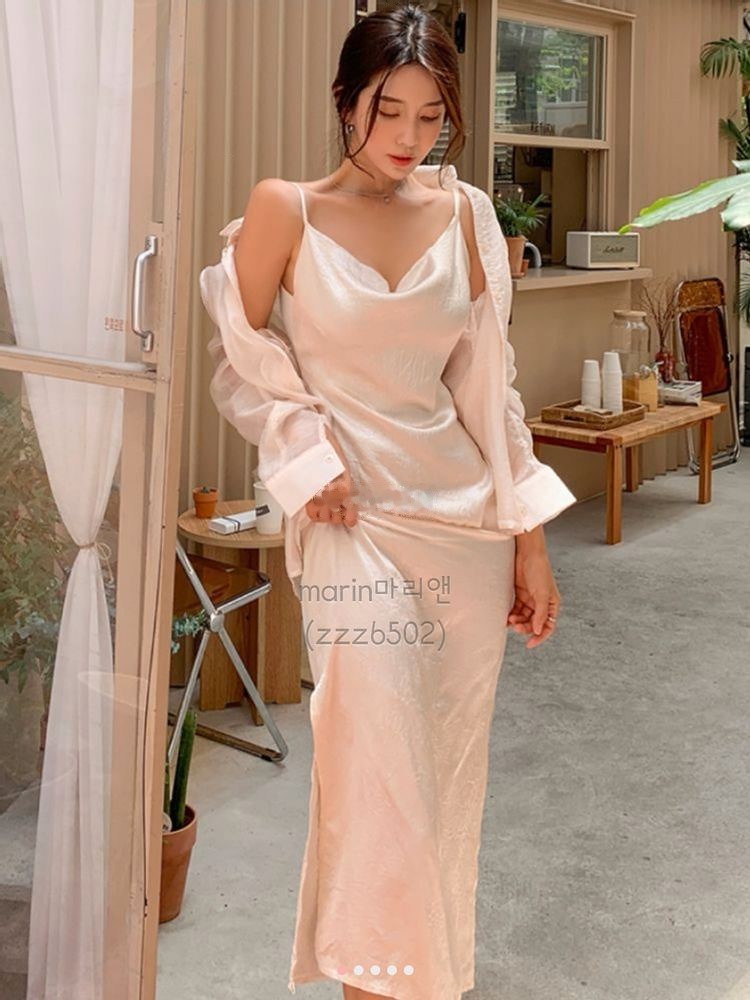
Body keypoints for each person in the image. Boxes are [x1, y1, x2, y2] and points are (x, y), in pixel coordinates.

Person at [199, 6, 576, 999]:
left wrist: (529, 540)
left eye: (431, 115)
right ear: (344, 102)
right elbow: (241, 361)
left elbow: (489, 392)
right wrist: (303, 453)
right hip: (350, 526)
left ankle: (419, 982)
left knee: (441, 779)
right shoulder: (285, 209)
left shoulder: (465, 216)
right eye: (387, 110)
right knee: (379, 774)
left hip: (462, 529)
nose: (409, 137)